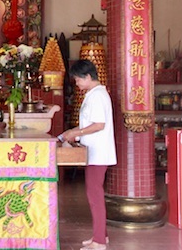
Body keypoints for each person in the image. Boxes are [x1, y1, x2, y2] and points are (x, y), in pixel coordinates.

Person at [58, 59, 116, 250]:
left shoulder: (97, 95)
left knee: (94, 196)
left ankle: (99, 241)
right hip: (93, 150)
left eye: (78, 80)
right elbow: (89, 124)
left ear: (88, 76)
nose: (77, 84)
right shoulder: (94, 94)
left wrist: (76, 133)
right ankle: (101, 236)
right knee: (94, 193)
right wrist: (71, 133)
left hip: (98, 152)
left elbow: (99, 125)